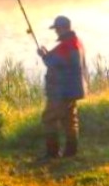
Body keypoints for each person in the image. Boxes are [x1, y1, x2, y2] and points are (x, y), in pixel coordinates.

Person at [37, 15, 87, 160]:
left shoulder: (67, 45)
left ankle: (52, 154)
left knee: (49, 118)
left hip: (62, 91)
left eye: (57, 29)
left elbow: (54, 63)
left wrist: (43, 56)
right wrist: (47, 55)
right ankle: (71, 152)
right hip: (73, 89)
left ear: (63, 28)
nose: (56, 32)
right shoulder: (75, 42)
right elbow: (61, 60)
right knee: (69, 119)